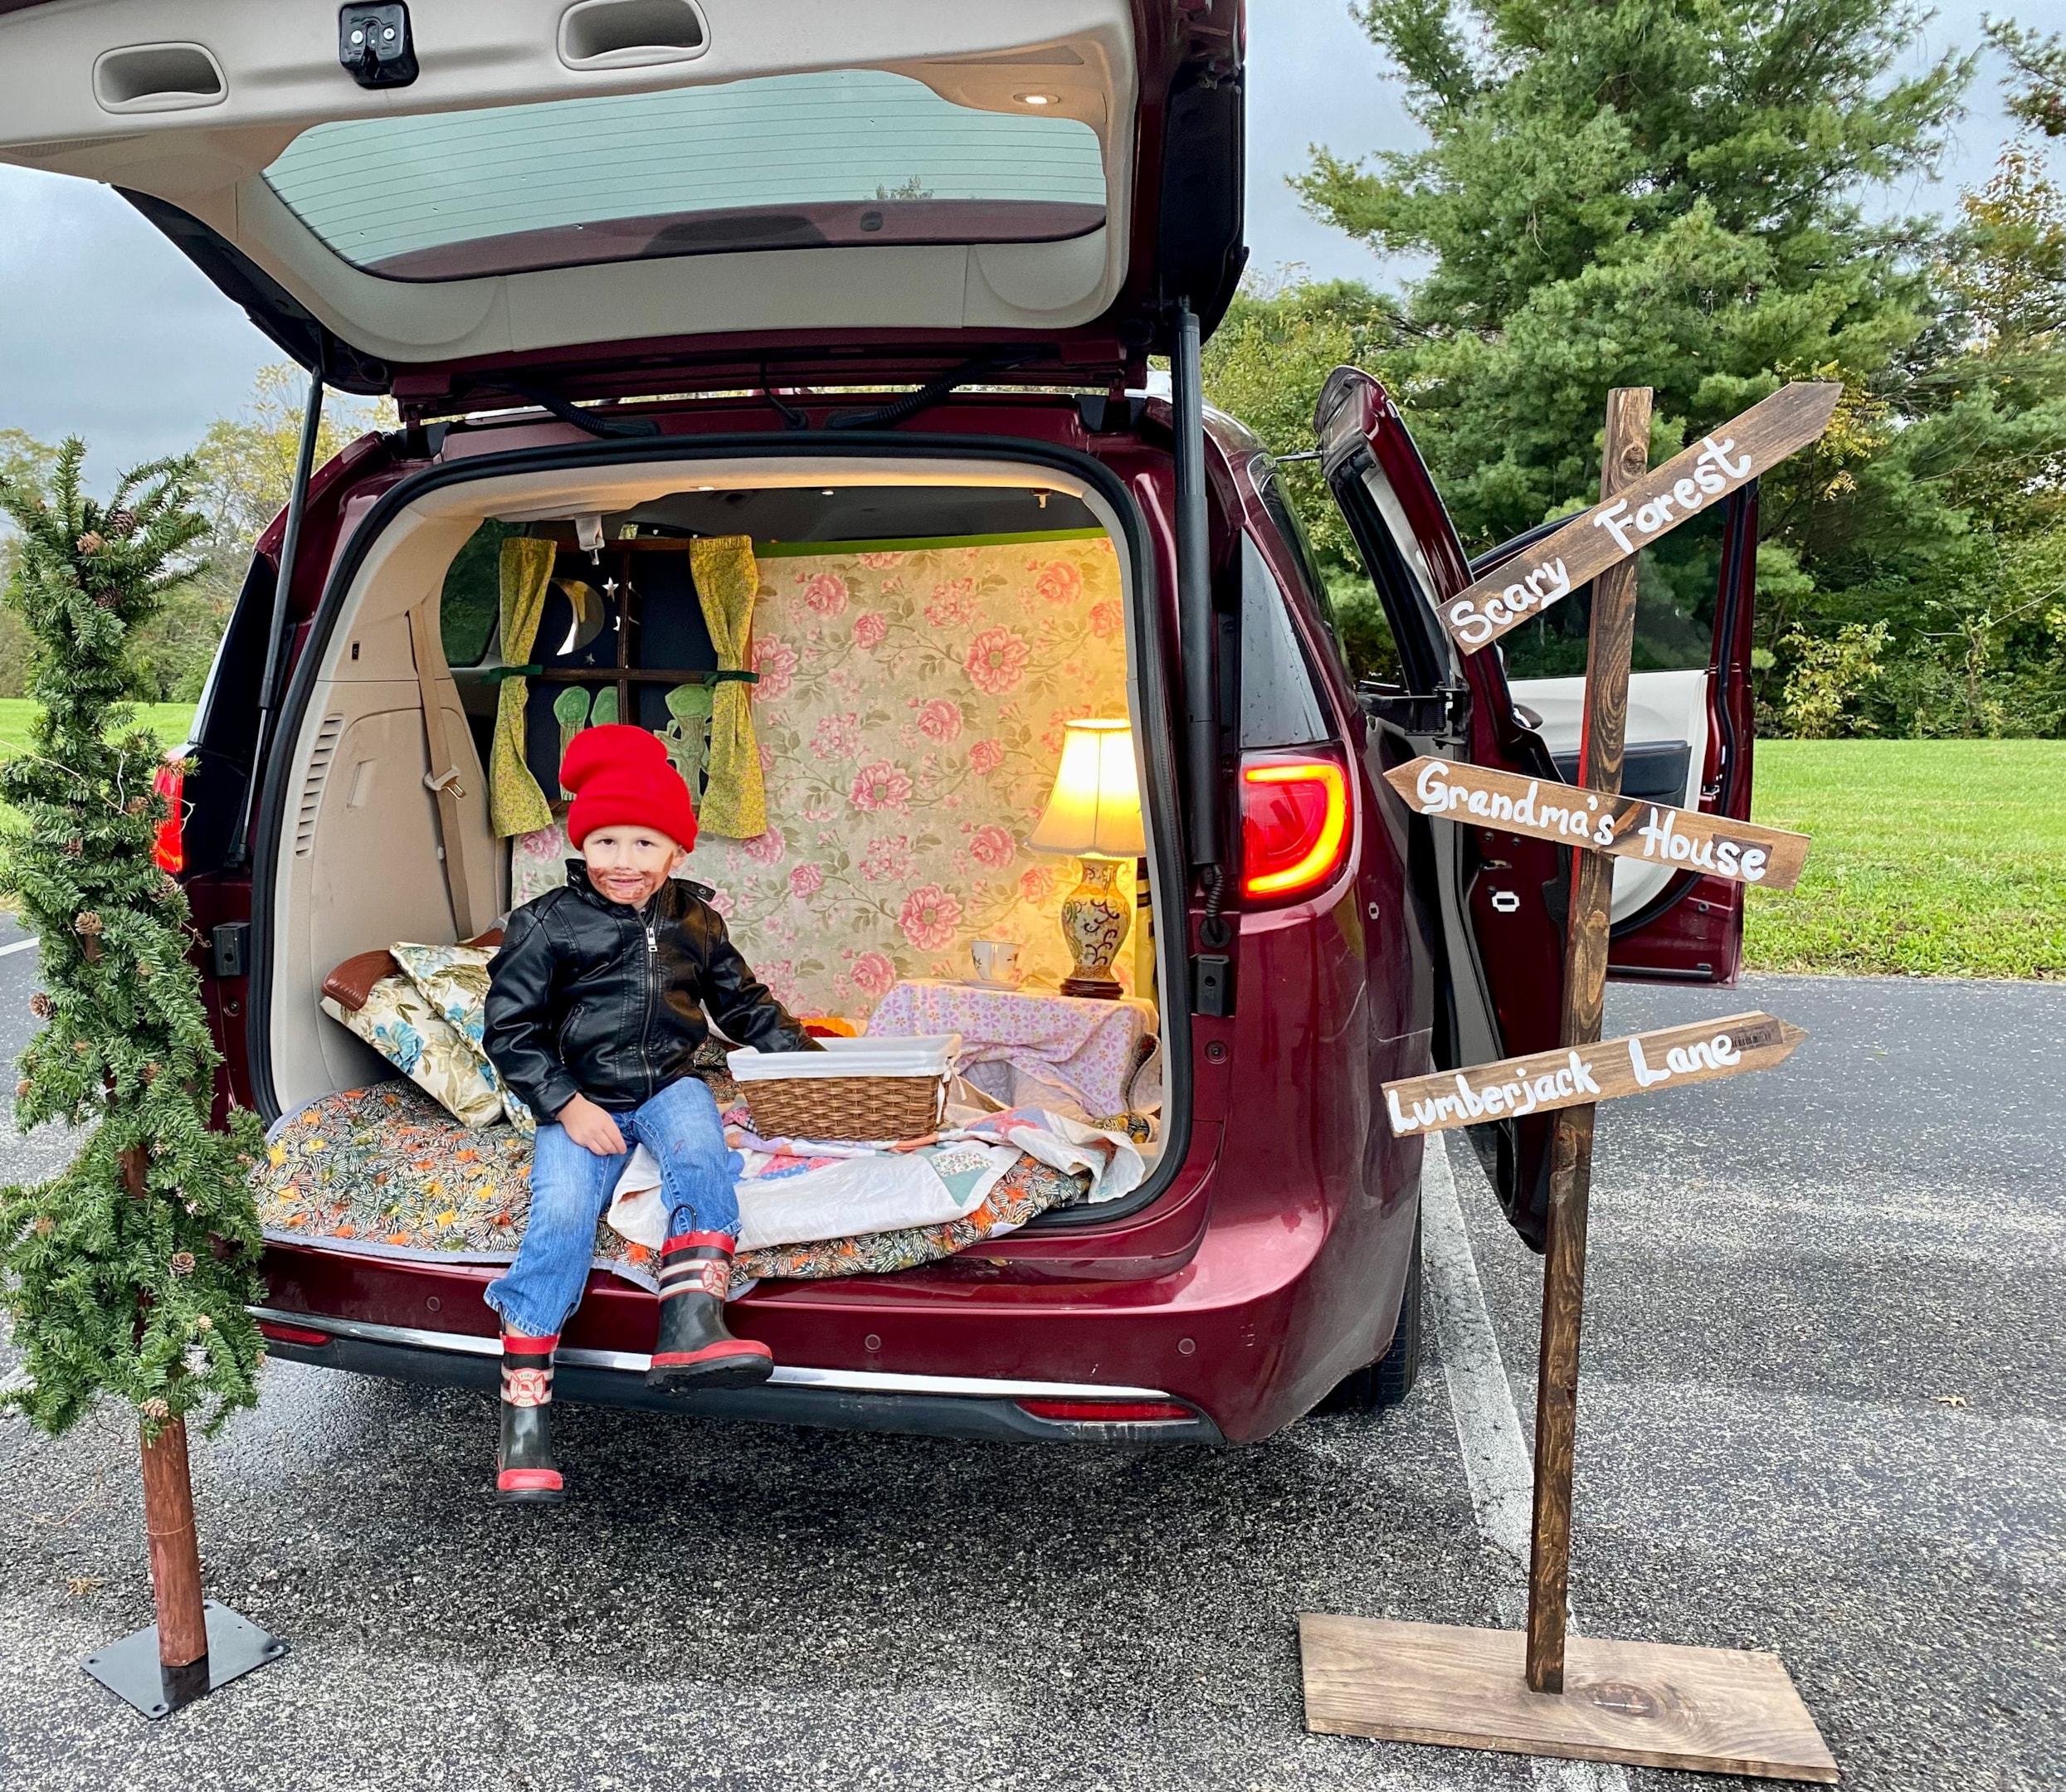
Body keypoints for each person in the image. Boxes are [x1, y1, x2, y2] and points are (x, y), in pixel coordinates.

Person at [481, 723, 821, 1502]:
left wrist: (805, 1061)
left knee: (702, 1148)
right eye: (604, 841)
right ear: (581, 844)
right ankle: (524, 1420)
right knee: (562, 1215)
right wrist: (565, 1106)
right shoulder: (546, 922)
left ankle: (691, 1323)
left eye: (643, 843)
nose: (621, 861)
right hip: (581, 1095)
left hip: (670, 1080)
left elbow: (743, 1003)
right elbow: (509, 1029)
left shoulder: (694, 922)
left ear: (676, 853)